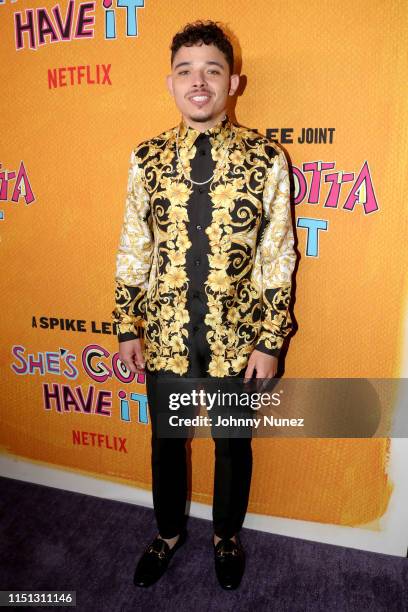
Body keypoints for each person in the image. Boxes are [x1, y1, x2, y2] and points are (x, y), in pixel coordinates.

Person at [112, 20, 296, 590]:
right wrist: (126, 325)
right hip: (164, 335)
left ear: (233, 82)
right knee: (167, 444)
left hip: (238, 339)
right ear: (170, 83)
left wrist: (271, 341)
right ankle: (167, 534)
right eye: (187, 71)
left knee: (233, 447)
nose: (200, 81)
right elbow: (133, 247)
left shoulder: (267, 160)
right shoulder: (146, 158)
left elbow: (278, 256)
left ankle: (226, 536)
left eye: (212, 70)